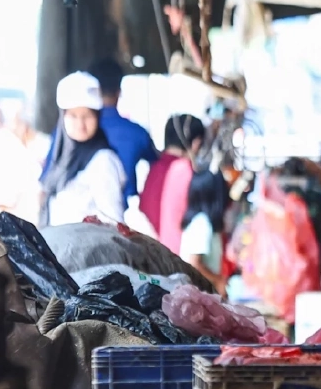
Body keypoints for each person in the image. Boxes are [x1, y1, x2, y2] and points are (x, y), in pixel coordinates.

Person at [40, 72, 126, 227]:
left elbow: (114, 224)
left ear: (98, 117)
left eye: (87, 116)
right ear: (62, 117)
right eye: (73, 116)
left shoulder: (103, 161)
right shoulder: (60, 156)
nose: (81, 124)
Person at [87, 58, 160, 201]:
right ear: (119, 91)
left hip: (81, 219)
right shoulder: (137, 133)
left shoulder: (73, 133)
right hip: (125, 216)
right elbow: (159, 167)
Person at [143, 115, 206, 253]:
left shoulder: (155, 167)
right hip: (174, 253)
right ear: (196, 143)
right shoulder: (183, 169)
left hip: (150, 250)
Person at [179, 170, 229, 296]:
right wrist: (218, 280)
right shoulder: (202, 225)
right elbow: (194, 263)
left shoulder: (200, 222)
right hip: (199, 294)